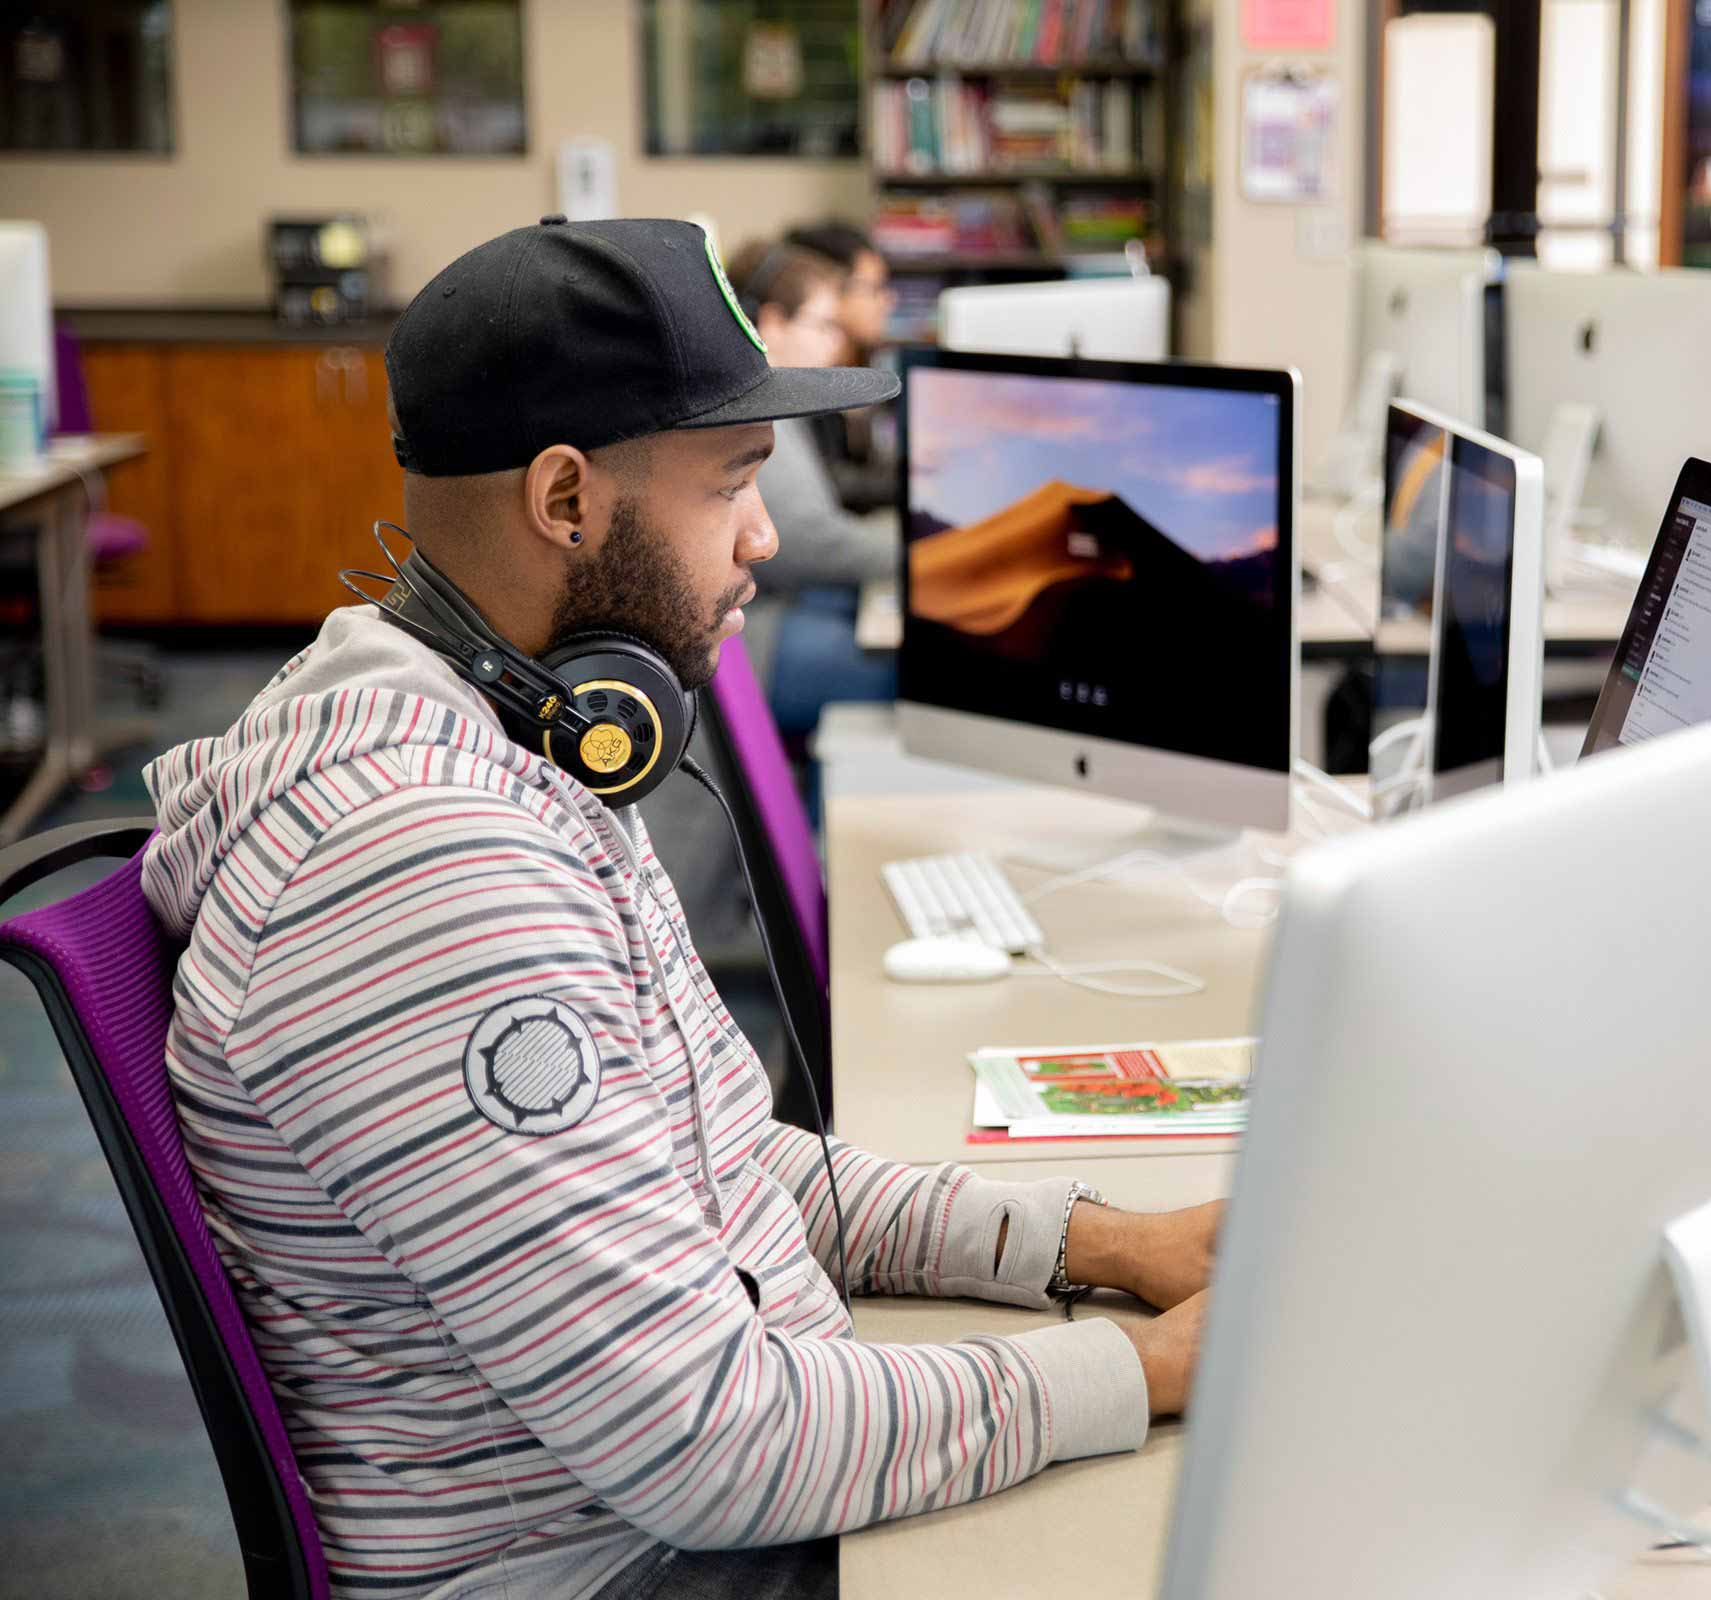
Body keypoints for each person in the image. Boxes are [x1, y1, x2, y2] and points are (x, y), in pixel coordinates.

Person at [138, 215, 1212, 1600]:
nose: (767, 537)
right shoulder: (424, 870)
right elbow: (711, 1444)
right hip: (630, 1565)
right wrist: (1142, 1364)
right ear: (568, 501)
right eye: (733, 482)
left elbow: (709, 1157)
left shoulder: (518, 728)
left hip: (700, 1493)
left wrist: (1096, 1242)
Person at [722, 237, 902, 812]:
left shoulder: (773, 400)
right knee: (909, 674)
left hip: (770, 612)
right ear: (772, 321)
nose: (837, 342)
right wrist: (924, 552)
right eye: (824, 325)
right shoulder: (759, 411)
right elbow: (808, 544)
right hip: (758, 640)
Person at [783, 220, 899, 512]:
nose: (889, 300)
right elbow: (825, 479)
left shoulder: (870, 362)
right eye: (875, 288)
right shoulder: (800, 371)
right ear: (830, 286)